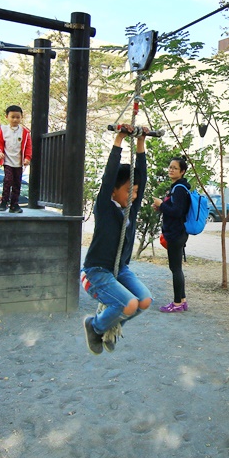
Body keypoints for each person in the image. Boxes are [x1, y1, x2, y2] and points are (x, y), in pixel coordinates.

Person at [81, 125, 152, 354]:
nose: (133, 196)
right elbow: (109, 174)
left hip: (119, 268)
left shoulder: (130, 209)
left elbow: (142, 176)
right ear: (113, 191)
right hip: (98, 271)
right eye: (128, 191)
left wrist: (141, 142)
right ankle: (95, 326)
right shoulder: (105, 205)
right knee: (128, 304)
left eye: (135, 192)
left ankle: (111, 328)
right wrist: (119, 139)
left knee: (144, 301)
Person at [153, 156, 191, 313]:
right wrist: (161, 207)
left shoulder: (180, 189)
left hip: (176, 233)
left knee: (175, 268)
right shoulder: (177, 187)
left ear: (182, 171)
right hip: (177, 232)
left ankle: (176, 304)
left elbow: (177, 212)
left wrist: (161, 204)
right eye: (170, 167)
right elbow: (173, 208)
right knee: (176, 267)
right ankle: (182, 300)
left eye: (175, 168)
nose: (171, 170)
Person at [0, 104, 32, 213]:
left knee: (17, 183)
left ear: (21, 117)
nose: (15, 119)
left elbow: (28, 147)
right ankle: (4, 202)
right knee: (8, 180)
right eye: (12, 117)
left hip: (19, 162)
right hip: (8, 161)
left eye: (18, 117)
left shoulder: (25, 132)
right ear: (7, 117)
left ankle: (14, 204)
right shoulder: (3, 130)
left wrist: (27, 158)